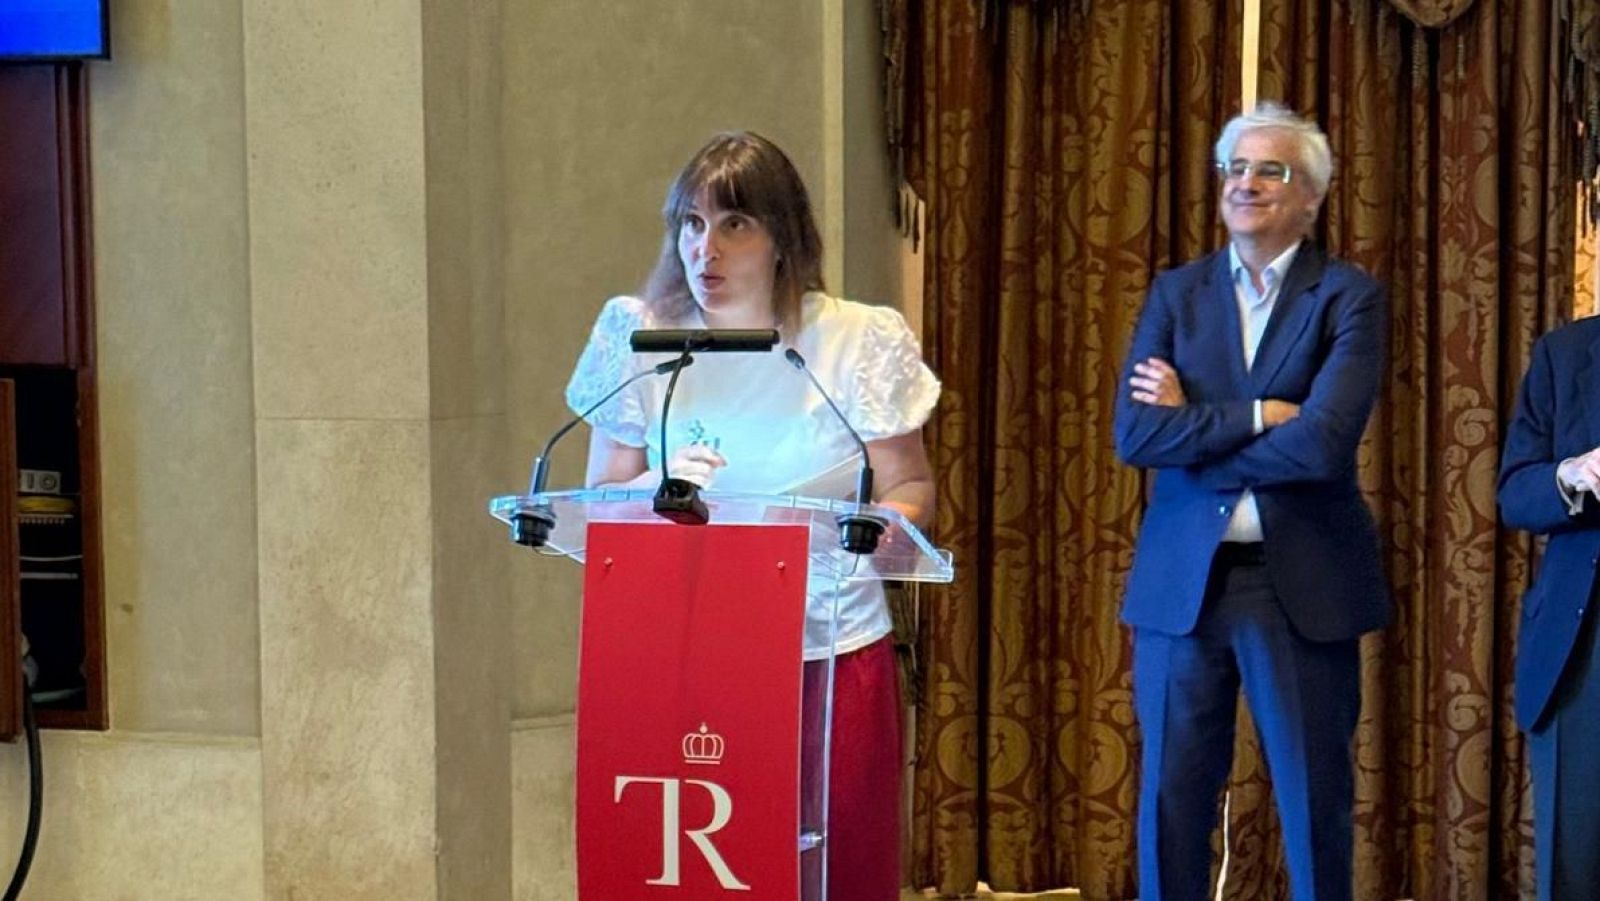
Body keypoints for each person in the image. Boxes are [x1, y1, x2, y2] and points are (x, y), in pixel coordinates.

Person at [564, 130, 940, 899]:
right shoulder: (638, 335)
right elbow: (601, 496)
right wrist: (660, 495)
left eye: (736, 224)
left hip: (827, 652)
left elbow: (910, 487)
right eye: (692, 224)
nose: (708, 248)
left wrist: (879, 529)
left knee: (830, 868)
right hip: (685, 655)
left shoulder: (854, 341)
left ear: (782, 238)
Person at [1112, 102, 1389, 901]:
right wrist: (1260, 412)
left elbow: (1324, 443)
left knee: (1313, 804)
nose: (1246, 183)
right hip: (1183, 586)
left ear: (1311, 195)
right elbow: (1135, 436)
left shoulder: (1347, 297)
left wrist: (1192, 418)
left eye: (1271, 169)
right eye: (1235, 167)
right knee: (1170, 803)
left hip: (1298, 580)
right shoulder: (1177, 293)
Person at [1498, 319, 1600, 900]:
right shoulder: (1564, 354)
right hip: (1583, 643)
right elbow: (1514, 490)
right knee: (1575, 870)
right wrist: (1571, 474)